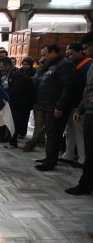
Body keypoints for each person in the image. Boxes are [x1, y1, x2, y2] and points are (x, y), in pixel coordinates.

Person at [35, 43, 76, 171]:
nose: (43, 57)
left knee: (54, 134)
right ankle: (49, 157)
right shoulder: (52, 65)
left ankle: (51, 162)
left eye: (45, 55)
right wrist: (43, 65)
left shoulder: (65, 65)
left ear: (53, 52)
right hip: (47, 106)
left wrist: (60, 106)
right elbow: (41, 79)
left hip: (55, 107)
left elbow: (68, 87)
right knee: (50, 133)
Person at [65, 31, 93, 195]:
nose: (85, 51)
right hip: (88, 110)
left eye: (86, 47)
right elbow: (89, 90)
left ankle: (85, 185)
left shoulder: (88, 64)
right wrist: (82, 108)